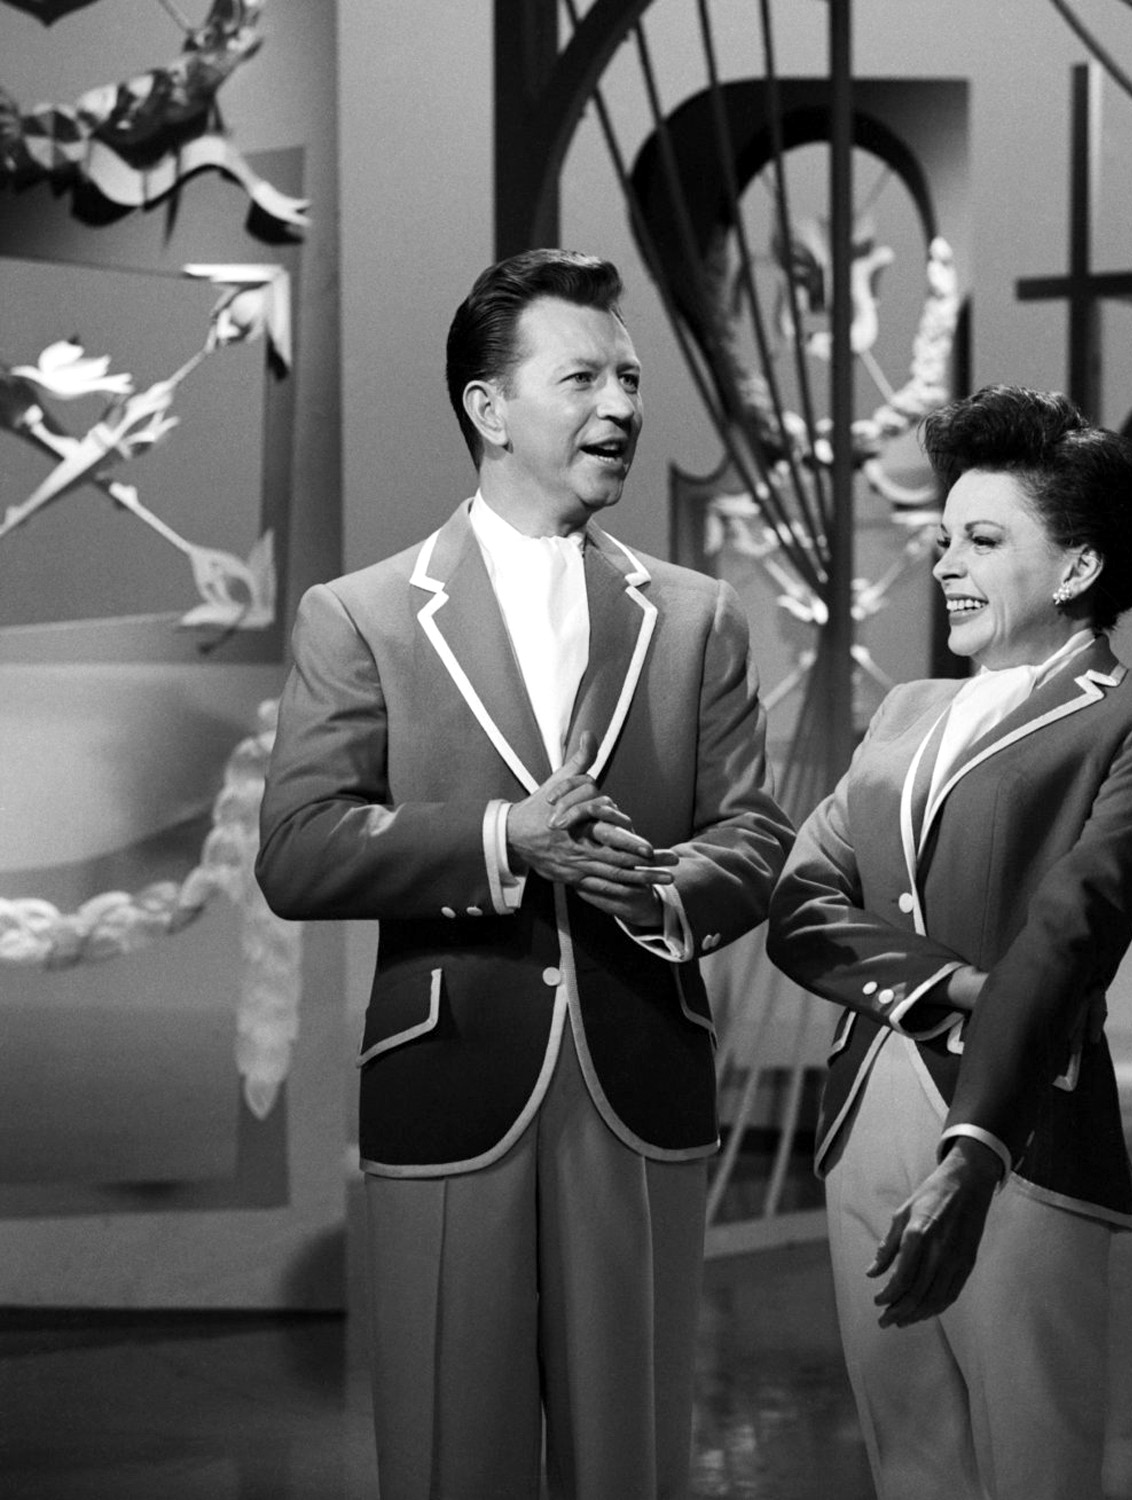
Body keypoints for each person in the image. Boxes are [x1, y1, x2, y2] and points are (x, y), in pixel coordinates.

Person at [256, 248, 792, 1500]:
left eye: (629, 379)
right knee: (452, 1451)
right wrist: (503, 839)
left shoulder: (696, 615)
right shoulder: (362, 614)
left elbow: (754, 838)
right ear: (488, 409)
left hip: (640, 1070)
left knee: (633, 1455)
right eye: (583, 378)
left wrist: (654, 888)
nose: (620, 406)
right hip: (448, 1073)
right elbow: (297, 846)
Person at [766, 384, 1132, 1500]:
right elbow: (799, 905)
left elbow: (1069, 932)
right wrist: (959, 985)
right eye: (943, 538)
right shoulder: (903, 712)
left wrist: (974, 1152)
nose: (946, 564)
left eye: (982, 540)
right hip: (863, 1114)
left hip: (1018, 1121)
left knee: (1032, 1457)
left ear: (1075, 568)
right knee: (907, 1455)